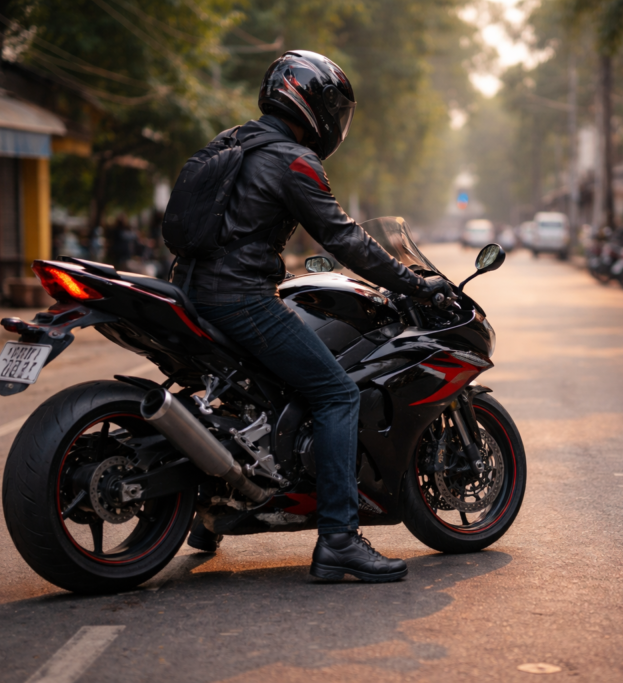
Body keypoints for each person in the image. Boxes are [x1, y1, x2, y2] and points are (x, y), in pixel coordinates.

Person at [174, 51, 452, 582]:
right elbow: (345, 238)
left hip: (188, 292)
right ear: (316, 102)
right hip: (242, 299)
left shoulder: (230, 141)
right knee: (337, 394)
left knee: (242, 396)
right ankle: (340, 541)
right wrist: (417, 284)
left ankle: (209, 516)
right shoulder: (293, 159)